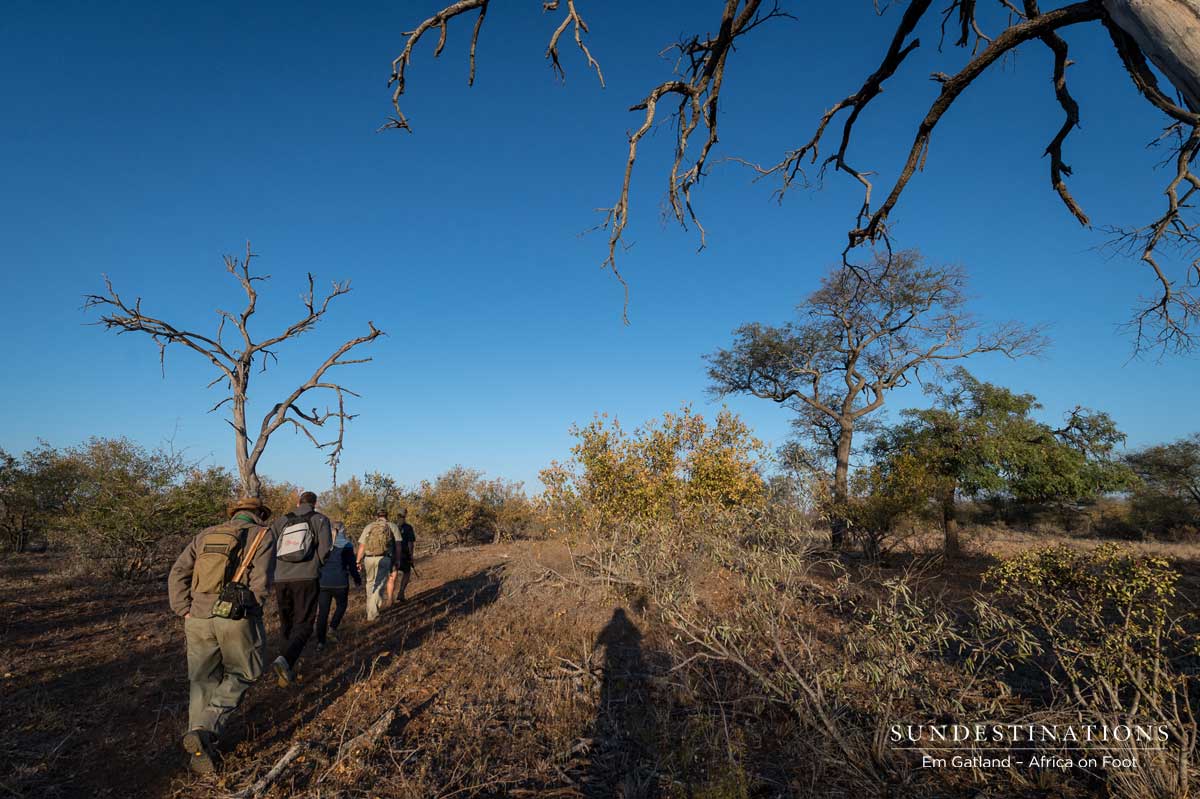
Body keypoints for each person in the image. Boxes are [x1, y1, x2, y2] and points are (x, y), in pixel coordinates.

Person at [168, 497, 275, 775]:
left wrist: (184, 609)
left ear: (234, 514)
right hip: (235, 616)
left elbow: (179, 571)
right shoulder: (262, 534)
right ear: (258, 515)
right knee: (245, 672)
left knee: (202, 679)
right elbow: (261, 580)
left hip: (198, 617)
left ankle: (200, 746)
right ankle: (207, 728)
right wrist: (253, 609)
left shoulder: (204, 534)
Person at [268, 490, 332, 687]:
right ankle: (286, 661)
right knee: (304, 623)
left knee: (287, 622)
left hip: (281, 578)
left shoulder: (281, 521)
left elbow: (269, 547)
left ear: (298, 502)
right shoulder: (320, 519)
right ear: (315, 503)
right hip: (306, 577)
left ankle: (284, 671)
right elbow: (325, 548)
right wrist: (316, 565)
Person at [315, 521, 361, 652]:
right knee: (341, 606)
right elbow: (352, 566)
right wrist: (357, 580)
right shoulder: (347, 545)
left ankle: (320, 642)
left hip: (323, 582)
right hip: (340, 582)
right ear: (342, 530)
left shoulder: (322, 544)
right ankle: (332, 629)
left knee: (323, 612)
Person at [356, 508, 399, 623]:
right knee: (379, 585)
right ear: (387, 516)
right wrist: (397, 559)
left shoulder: (369, 527)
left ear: (376, 516)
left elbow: (362, 546)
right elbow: (398, 545)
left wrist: (358, 561)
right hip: (384, 558)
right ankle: (372, 614)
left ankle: (370, 612)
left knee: (370, 584)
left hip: (368, 559)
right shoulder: (392, 526)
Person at [386, 508, 417, 604]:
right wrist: (411, 555)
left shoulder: (391, 526)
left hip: (392, 554)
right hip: (404, 554)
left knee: (392, 576)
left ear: (397, 515)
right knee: (407, 572)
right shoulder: (408, 527)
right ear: (405, 515)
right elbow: (410, 543)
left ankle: (390, 599)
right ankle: (401, 592)